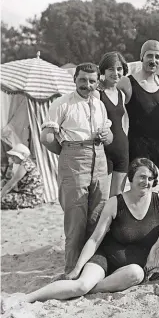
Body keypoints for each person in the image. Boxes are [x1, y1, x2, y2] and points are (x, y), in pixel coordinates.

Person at [3, 158, 159, 307]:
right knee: (80, 286)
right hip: (105, 258)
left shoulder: (158, 201)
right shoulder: (115, 202)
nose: (146, 182)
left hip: (129, 270)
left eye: (151, 178)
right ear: (131, 178)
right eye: (142, 177)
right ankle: (24, 298)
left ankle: (93, 288)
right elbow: (95, 239)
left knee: (136, 274)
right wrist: (78, 268)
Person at [40, 63, 113, 274]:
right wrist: (67, 152)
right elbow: (47, 138)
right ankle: (72, 268)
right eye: (82, 80)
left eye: (92, 81)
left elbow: (109, 137)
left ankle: (91, 266)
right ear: (74, 79)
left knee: (98, 213)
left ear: (97, 82)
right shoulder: (62, 104)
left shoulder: (99, 104)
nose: (87, 85)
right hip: (73, 157)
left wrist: (105, 137)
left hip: (99, 158)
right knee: (75, 216)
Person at [117, 40, 159, 182]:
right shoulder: (127, 83)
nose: (153, 60)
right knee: (143, 184)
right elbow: (108, 96)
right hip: (139, 145)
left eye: (157, 57)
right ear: (142, 57)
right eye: (149, 56)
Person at [98, 51, 130, 197]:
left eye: (119, 69)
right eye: (111, 69)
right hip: (103, 150)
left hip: (122, 149)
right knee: (101, 198)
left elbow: (123, 122)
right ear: (103, 71)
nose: (115, 73)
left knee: (117, 198)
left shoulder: (121, 94)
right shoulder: (97, 94)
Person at [1, 143, 44, 210]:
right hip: (34, 197)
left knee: (3, 200)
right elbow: (8, 179)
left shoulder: (25, 165)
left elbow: (12, 183)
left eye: (14, 156)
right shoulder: (27, 163)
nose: (12, 158)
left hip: (30, 199)